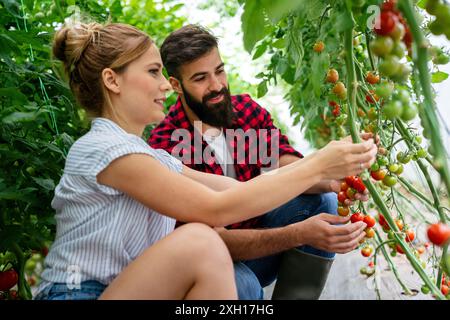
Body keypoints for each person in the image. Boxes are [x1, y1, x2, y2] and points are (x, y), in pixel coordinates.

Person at [35, 21, 375, 300]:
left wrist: (332, 171)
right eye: (153, 72)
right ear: (112, 80)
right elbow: (218, 208)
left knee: (212, 242)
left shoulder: (147, 155)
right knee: (204, 243)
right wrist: (315, 174)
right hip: (78, 293)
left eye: (219, 72)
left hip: (129, 288)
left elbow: (234, 189)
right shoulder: (110, 150)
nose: (163, 88)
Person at [149, 24, 373, 300]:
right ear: (175, 86)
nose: (217, 85)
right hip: (211, 263)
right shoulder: (167, 148)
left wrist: (333, 181)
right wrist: (298, 234)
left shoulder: (244, 110)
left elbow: (281, 160)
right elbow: (208, 242)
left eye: (219, 71)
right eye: (200, 78)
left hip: (259, 245)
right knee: (242, 285)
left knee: (322, 201)